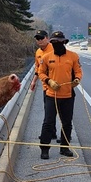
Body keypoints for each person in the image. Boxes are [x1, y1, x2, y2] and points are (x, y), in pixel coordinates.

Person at [38, 31, 83, 159]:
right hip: (51, 95)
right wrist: (49, 81)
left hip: (68, 95)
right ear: (51, 43)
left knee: (67, 123)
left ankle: (64, 147)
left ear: (64, 42)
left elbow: (78, 71)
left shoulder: (73, 56)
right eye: (54, 42)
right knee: (48, 122)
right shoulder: (46, 57)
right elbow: (41, 73)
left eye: (59, 42)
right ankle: (44, 148)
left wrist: (77, 80)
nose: (56, 44)